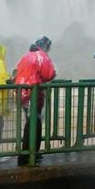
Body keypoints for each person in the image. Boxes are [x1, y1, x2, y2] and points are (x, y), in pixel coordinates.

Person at [14, 36, 57, 165]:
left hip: (22, 92)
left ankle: (29, 153)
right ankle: (29, 154)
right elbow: (48, 74)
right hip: (33, 93)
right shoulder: (41, 56)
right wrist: (54, 72)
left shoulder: (25, 56)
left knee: (31, 122)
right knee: (34, 124)